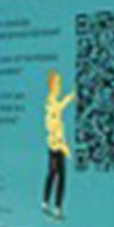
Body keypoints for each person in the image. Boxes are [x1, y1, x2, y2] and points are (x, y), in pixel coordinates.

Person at [41, 69, 77, 219]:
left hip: (54, 145)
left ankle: (47, 202)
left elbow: (62, 104)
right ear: (53, 86)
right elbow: (53, 128)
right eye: (58, 85)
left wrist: (71, 95)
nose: (59, 88)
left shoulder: (51, 103)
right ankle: (56, 207)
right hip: (57, 145)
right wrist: (65, 148)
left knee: (52, 173)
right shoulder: (51, 105)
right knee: (59, 175)